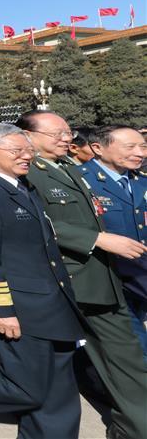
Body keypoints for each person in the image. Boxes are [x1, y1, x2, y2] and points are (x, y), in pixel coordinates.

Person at [0, 123, 87, 439]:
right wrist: (0, 310)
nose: (26, 156)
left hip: (49, 303)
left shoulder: (19, 184)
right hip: (21, 308)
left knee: (57, 393)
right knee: (33, 389)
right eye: (16, 150)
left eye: (27, 149)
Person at [18, 111, 147, 439]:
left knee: (127, 361)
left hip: (105, 279)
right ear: (27, 136)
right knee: (66, 368)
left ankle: (133, 426)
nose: (66, 138)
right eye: (57, 133)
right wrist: (96, 239)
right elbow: (32, 221)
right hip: (72, 282)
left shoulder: (69, 169)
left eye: (67, 132)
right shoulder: (28, 172)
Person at [79, 125, 147, 358]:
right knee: (137, 349)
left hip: (140, 277)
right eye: (130, 147)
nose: (140, 153)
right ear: (98, 148)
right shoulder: (80, 181)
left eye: (143, 146)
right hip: (106, 279)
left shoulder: (140, 181)